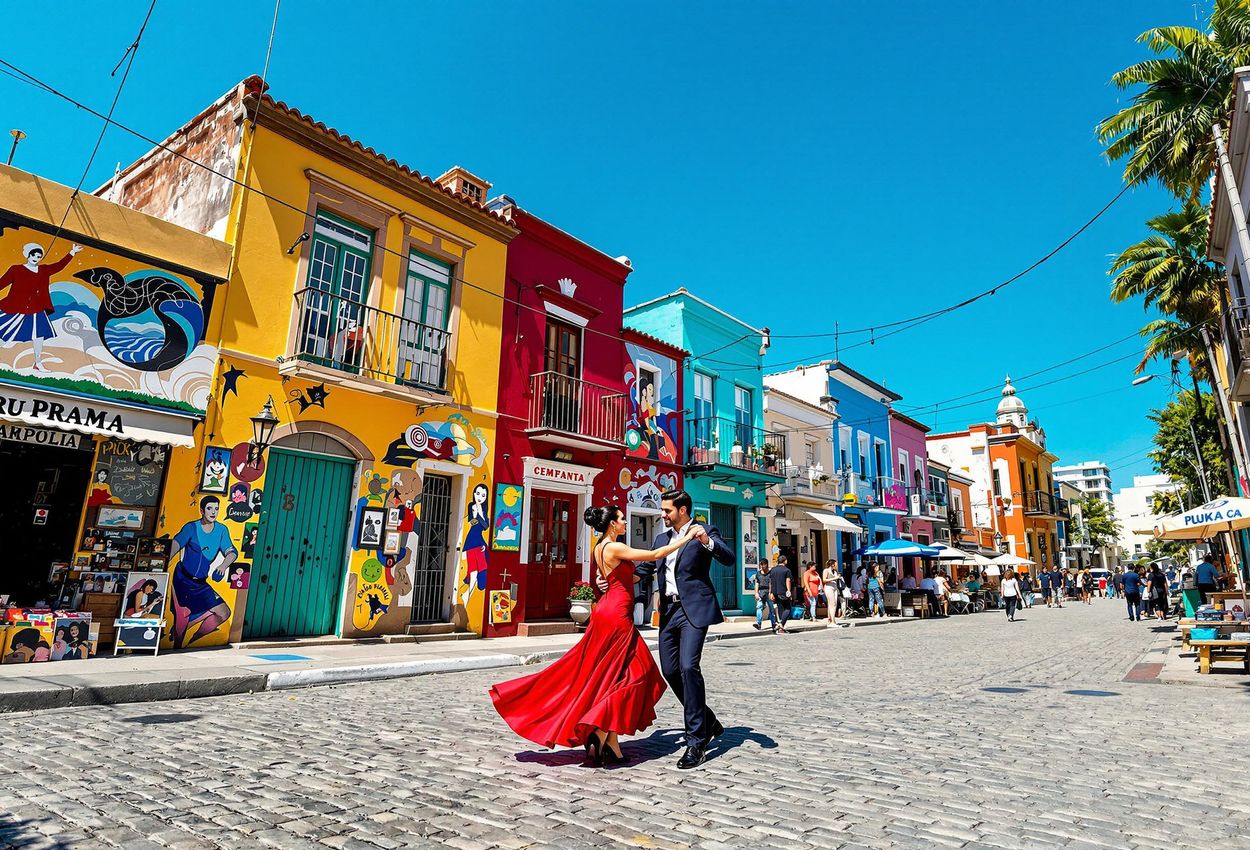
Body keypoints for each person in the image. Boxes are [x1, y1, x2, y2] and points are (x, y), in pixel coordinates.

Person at [490, 506, 693, 766]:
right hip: (616, 616)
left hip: (611, 609)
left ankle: (611, 744)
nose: (625, 524)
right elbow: (654, 554)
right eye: (621, 520)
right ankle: (599, 728)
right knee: (638, 672)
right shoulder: (613, 547)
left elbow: (622, 578)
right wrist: (687, 537)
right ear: (611, 525)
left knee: (613, 675)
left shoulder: (600, 548)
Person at [634, 490, 733, 769]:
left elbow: (728, 558)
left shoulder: (706, 530)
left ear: (683, 510)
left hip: (694, 610)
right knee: (671, 671)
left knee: (689, 667)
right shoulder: (661, 540)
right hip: (668, 611)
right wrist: (610, 580)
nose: (663, 515)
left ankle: (696, 742)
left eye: (667, 511)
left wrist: (707, 542)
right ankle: (708, 719)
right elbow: (643, 570)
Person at [168, 496, 238, 649]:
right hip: (182, 579)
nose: (213, 512)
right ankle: (177, 649)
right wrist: (163, 562)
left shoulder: (221, 530)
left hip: (201, 583)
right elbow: (176, 544)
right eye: (209, 508)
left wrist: (224, 565)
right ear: (201, 510)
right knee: (182, 620)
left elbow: (231, 551)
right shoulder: (191, 527)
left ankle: (193, 639)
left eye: (216, 509)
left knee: (223, 613)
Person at [0, 242, 82, 370]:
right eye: (34, 255)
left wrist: (72, 253)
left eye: (39, 256)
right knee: (6, 329)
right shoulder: (16, 269)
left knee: (39, 334)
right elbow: (2, 283)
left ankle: (37, 363)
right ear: (28, 255)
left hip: (36, 308)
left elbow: (59, 266)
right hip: (15, 306)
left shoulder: (43, 270)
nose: (36, 258)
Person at [768, 552, 795, 634]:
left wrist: (771, 592)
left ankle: (780, 628)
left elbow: (770, 582)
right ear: (785, 561)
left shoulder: (772, 570)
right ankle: (781, 624)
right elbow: (788, 580)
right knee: (788, 608)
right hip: (783, 592)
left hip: (775, 592)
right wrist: (789, 591)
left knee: (780, 609)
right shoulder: (787, 570)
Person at [752, 559, 775, 631]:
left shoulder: (771, 573)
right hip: (761, 592)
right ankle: (759, 624)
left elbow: (771, 583)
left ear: (766, 564)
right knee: (759, 607)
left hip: (768, 591)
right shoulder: (758, 573)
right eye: (760, 564)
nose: (761, 566)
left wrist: (770, 593)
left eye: (763, 564)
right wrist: (756, 593)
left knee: (771, 609)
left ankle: (773, 624)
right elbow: (757, 583)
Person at [821, 559, 842, 624]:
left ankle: (830, 619)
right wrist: (835, 578)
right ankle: (833, 621)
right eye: (836, 564)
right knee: (832, 604)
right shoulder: (826, 570)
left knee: (833, 604)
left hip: (835, 588)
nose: (837, 565)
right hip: (828, 587)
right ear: (832, 564)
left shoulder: (835, 572)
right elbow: (824, 580)